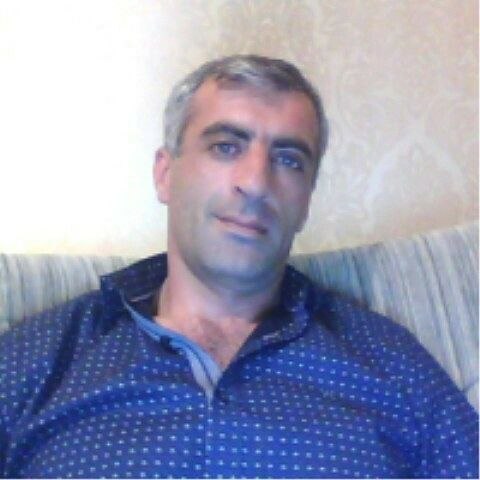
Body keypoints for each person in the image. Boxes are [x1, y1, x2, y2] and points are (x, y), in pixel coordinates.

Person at [0, 55, 477, 479]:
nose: (256, 182)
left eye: (288, 160)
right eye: (226, 146)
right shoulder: (35, 359)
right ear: (165, 174)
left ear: (306, 201)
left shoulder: (392, 363)